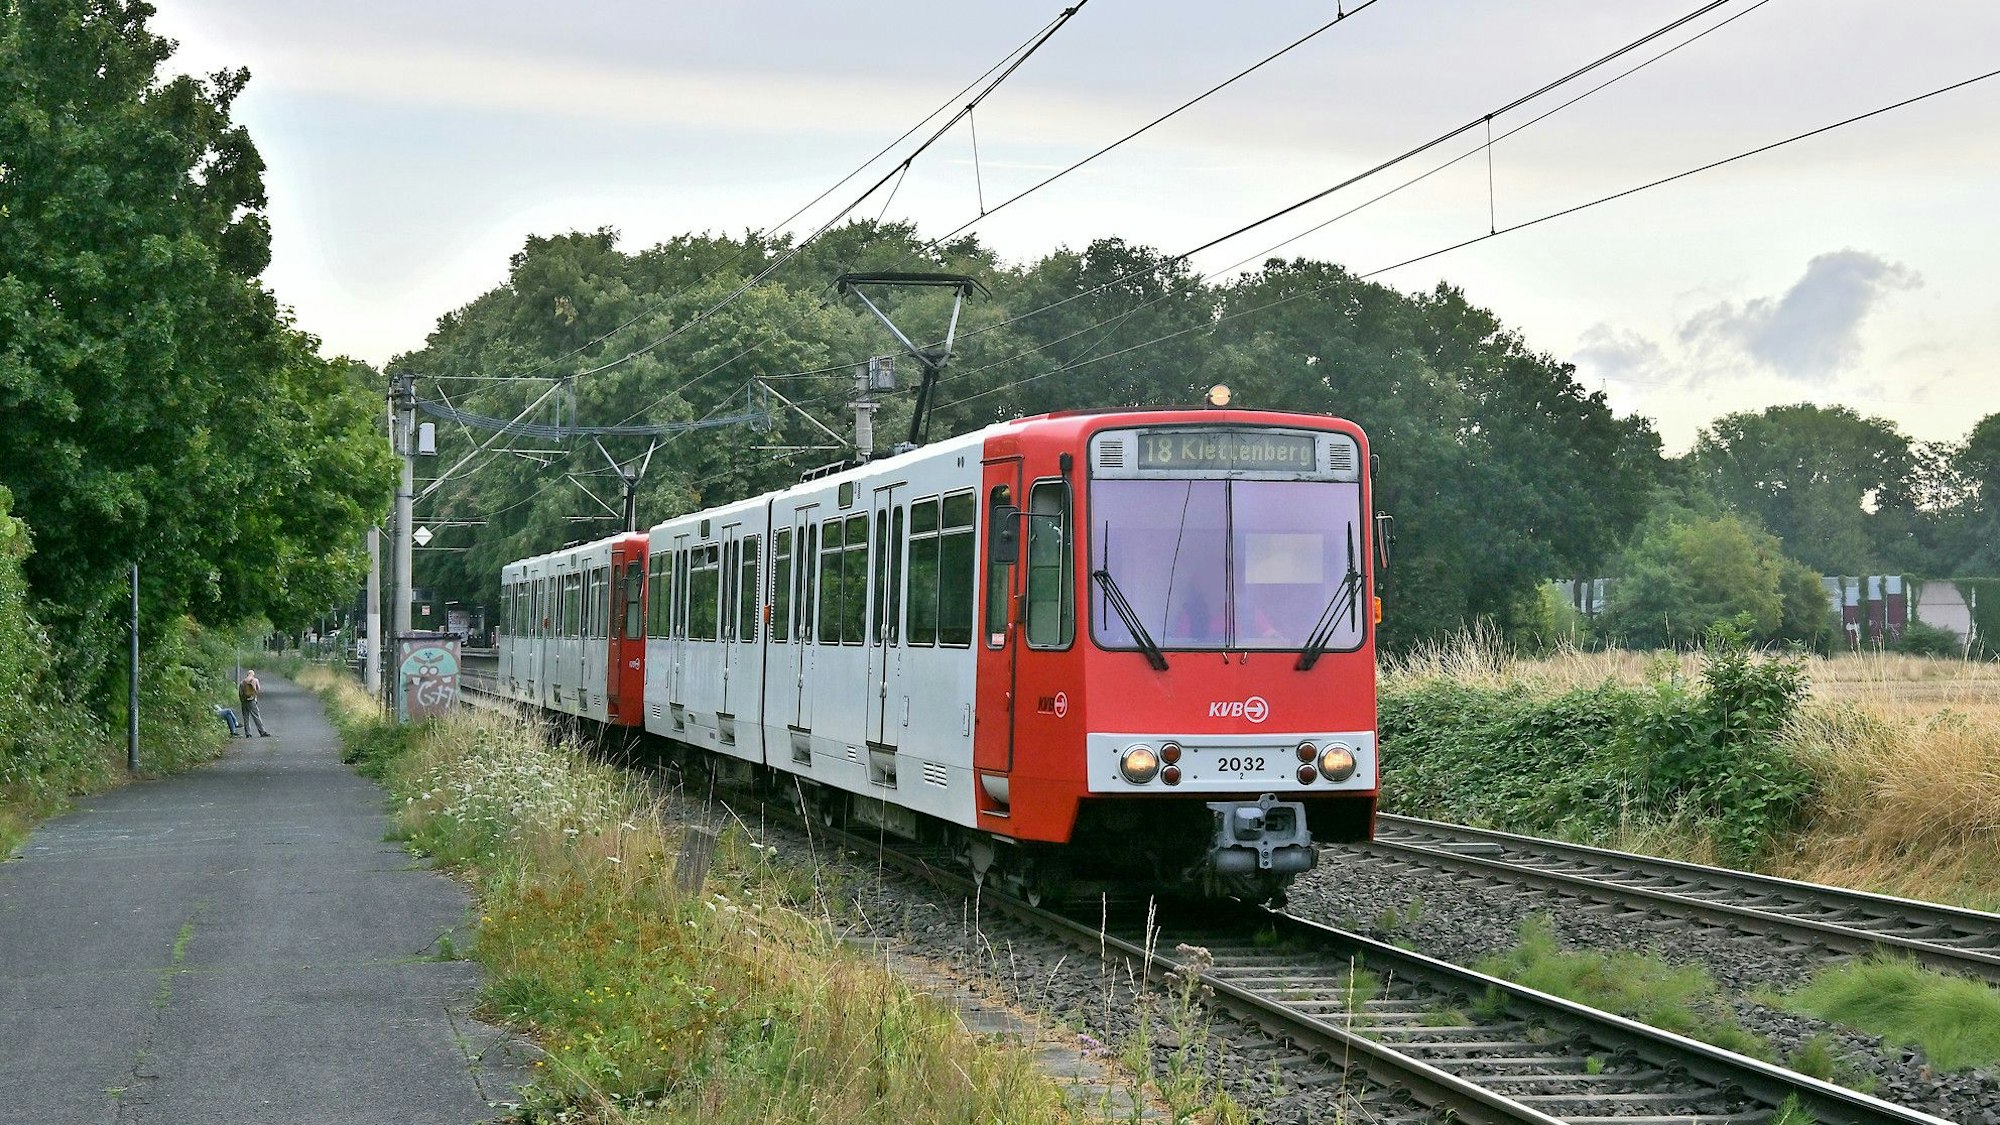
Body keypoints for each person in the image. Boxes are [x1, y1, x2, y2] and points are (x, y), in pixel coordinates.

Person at [238, 670, 270, 737]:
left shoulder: (242, 682)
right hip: (252, 701)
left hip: (244, 701)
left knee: (246, 718)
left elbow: (240, 693)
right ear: (253, 675)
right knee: (256, 716)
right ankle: (262, 732)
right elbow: (258, 690)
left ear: (247, 674)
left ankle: (248, 733)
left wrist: (242, 701)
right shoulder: (255, 680)